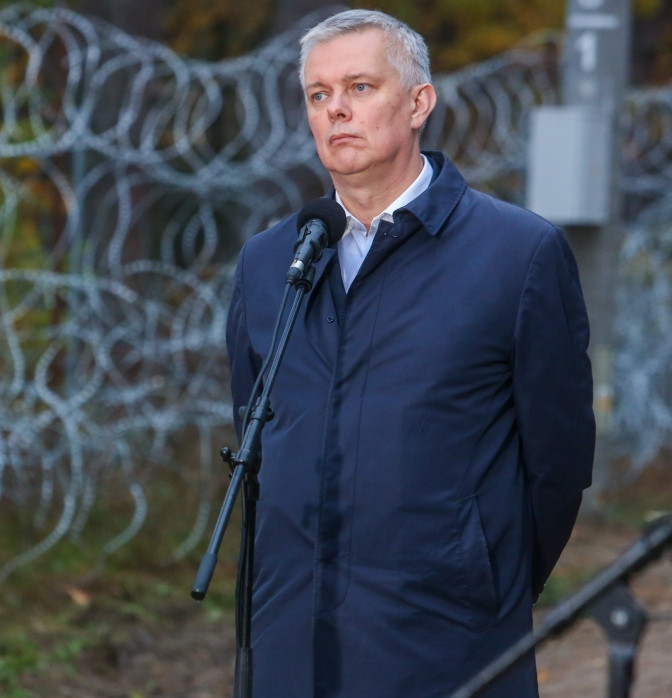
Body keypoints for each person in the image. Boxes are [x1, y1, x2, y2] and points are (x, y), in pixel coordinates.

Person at [224, 10, 594, 697]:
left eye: (360, 87)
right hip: (291, 641)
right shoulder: (271, 261)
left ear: (418, 102)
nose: (337, 109)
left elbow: (559, 463)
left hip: (445, 640)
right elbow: (259, 437)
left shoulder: (517, 254)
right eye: (318, 93)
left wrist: (482, 574)